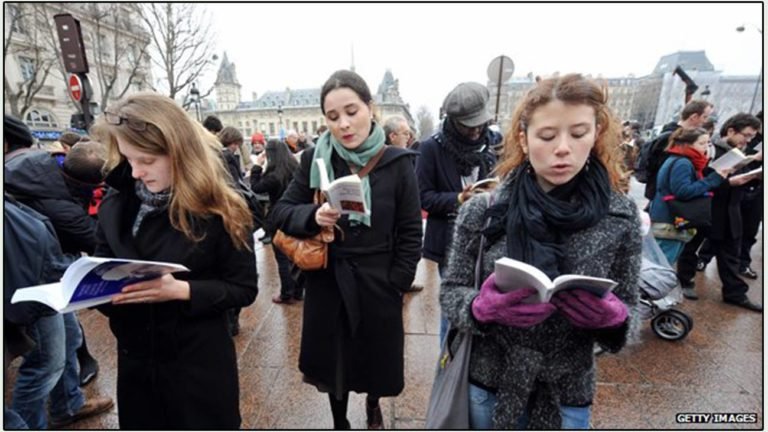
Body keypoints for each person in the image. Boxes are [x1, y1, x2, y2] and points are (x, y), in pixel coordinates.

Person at [441, 74, 641, 429]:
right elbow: (450, 291)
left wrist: (616, 318)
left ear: (596, 134)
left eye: (578, 133)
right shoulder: (484, 210)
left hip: (566, 392)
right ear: (524, 138)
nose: (562, 147)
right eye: (547, 136)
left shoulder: (620, 216)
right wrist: (477, 307)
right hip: (489, 383)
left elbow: (630, 306)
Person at [89, 92, 259, 428]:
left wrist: (180, 291)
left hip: (196, 369)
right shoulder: (115, 202)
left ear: (178, 153)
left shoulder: (222, 208)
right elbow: (101, 266)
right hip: (136, 365)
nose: (135, 172)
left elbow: (243, 288)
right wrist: (95, 291)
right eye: (128, 159)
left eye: (147, 161)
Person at [270, 70, 422, 429]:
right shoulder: (315, 160)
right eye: (333, 116)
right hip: (329, 278)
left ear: (371, 108)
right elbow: (279, 212)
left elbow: (411, 230)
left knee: (375, 357)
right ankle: (340, 421)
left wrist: (397, 281)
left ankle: (372, 403)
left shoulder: (398, 163)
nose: (343, 124)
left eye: (351, 111)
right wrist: (313, 215)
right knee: (332, 360)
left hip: (378, 278)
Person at [4, 119, 113, 429]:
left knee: (71, 339)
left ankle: (68, 404)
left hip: (38, 269)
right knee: (45, 363)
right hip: (30, 278)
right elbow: (95, 243)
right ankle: (31, 423)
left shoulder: (39, 164)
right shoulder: (61, 208)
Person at [416, 81, 501, 341]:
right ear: (452, 121)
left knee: (487, 308)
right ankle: (449, 365)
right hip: (450, 243)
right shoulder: (431, 147)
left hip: (490, 240)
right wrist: (459, 199)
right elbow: (423, 197)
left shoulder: (494, 144)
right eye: (467, 125)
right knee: (454, 311)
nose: (475, 130)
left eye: (479, 123)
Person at [677, 113, 762, 311]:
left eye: (751, 137)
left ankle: (735, 292)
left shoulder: (739, 151)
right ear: (731, 130)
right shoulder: (711, 148)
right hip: (709, 207)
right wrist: (729, 182)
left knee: (731, 251)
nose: (748, 140)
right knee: (693, 246)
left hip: (731, 208)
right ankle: (685, 281)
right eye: (746, 135)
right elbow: (702, 179)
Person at [648, 128, 729, 278]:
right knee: (660, 265)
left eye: (707, 143)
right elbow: (683, 191)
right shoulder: (683, 163)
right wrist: (713, 180)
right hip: (670, 221)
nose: (706, 147)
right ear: (688, 144)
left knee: (659, 262)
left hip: (667, 218)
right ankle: (646, 296)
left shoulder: (676, 159)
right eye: (701, 143)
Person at [250, 138, 303, 304]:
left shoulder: (274, 175)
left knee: (282, 257)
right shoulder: (295, 168)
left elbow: (256, 187)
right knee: (296, 255)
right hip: (295, 215)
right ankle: (299, 291)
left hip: (277, 217)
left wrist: (257, 165)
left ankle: (287, 293)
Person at [637, 100, 714, 200]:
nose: (706, 121)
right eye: (705, 117)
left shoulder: (674, 135)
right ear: (694, 117)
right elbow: (666, 172)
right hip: (665, 196)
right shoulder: (670, 138)